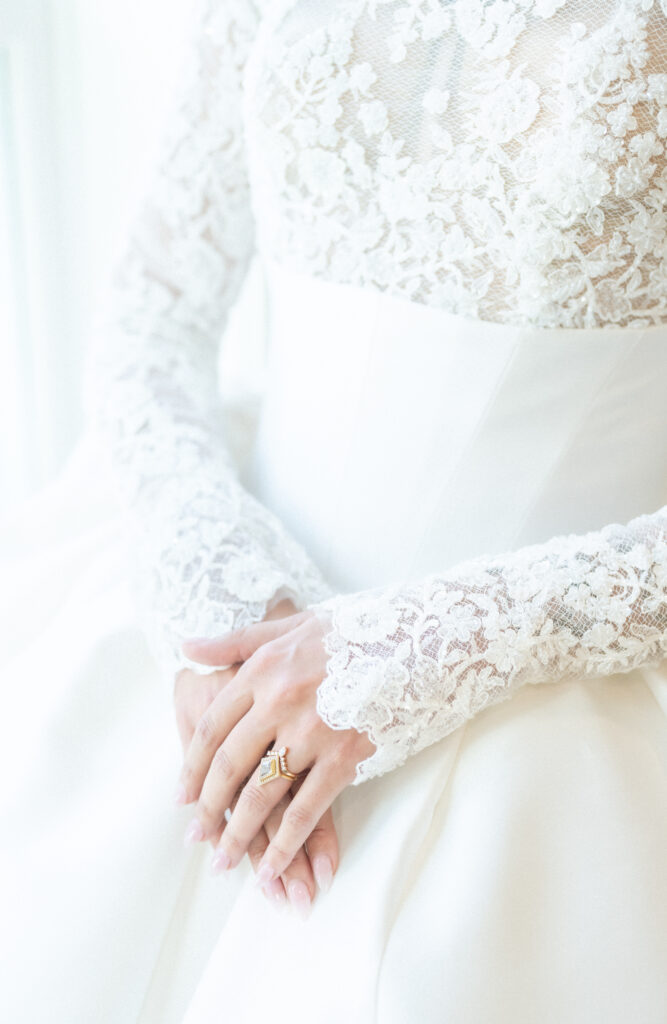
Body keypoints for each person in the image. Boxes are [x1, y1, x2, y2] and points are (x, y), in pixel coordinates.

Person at [2, 0, 667, 1021]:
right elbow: (150, 322)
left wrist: (428, 647)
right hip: (232, 646)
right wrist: (221, 600)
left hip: (563, 721)